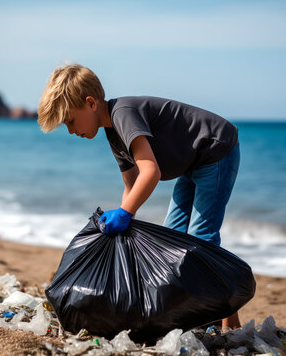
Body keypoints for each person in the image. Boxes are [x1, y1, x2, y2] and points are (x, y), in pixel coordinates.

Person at [37, 63, 241, 329]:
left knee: (202, 238)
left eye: (70, 121)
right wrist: (121, 227)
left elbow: (151, 172)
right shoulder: (113, 134)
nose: (71, 131)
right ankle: (194, 314)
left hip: (216, 149)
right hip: (193, 161)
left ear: (90, 103)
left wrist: (126, 213)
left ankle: (229, 321)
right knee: (174, 237)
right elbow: (131, 184)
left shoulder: (123, 115)